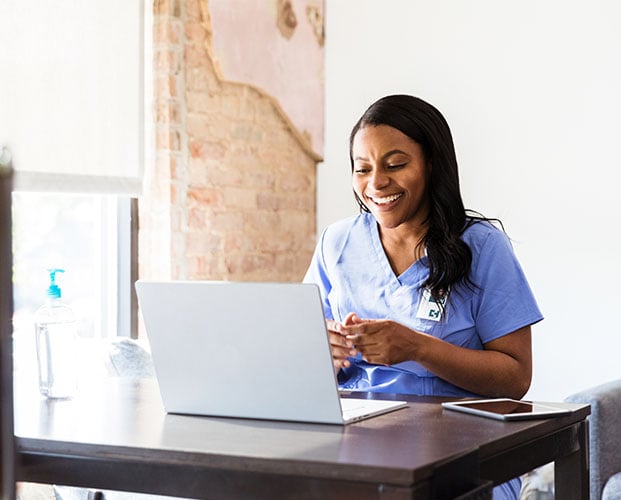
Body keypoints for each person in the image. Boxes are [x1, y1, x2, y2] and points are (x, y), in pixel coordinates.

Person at [303, 94, 543, 500]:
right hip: (357, 445)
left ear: (432, 164)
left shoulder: (482, 248)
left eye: (395, 165)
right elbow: (305, 359)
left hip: (461, 450)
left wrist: (417, 347)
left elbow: (516, 378)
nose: (376, 183)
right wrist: (324, 352)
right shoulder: (337, 243)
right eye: (362, 169)